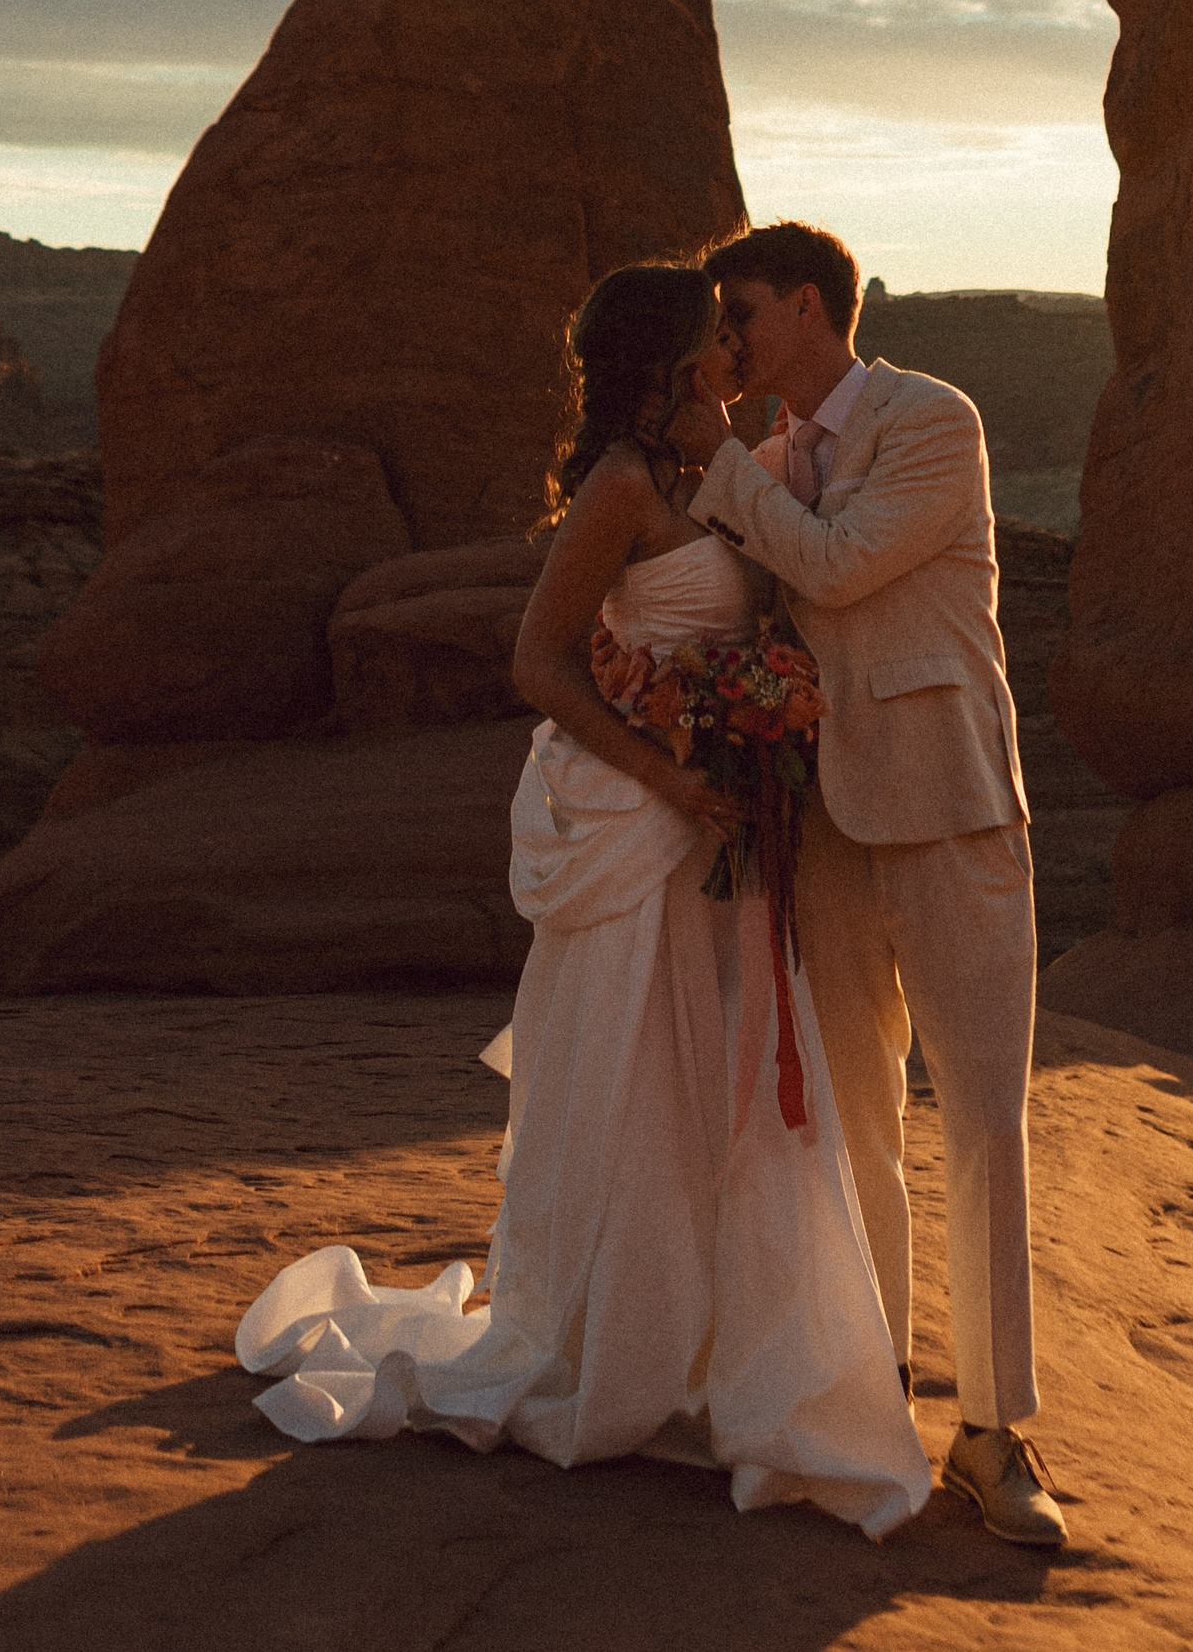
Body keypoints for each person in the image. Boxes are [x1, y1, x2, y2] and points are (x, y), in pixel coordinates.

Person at [233, 262, 930, 1539]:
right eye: (714, 339)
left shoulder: (726, 467)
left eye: (741, 330)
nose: (733, 350)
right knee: (635, 1079)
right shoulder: (618, 485)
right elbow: (538, 660)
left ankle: (738, 1353)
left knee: (727, 1074)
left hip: (725, 815)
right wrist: (673, 768)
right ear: (665, 360)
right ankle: (621, 1350)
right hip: (637, 818)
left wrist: (753, 733)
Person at [689, 221, 1066, 1550]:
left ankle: (997, 1433)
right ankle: (872, 1404)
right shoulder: (769, 463)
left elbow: (844, 569)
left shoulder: (931, 419)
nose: (728, 337)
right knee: (852, 1129)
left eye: (742, 312)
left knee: (980, 1123)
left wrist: (723, 467)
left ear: (809, 306)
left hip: (955, 809)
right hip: (826, 826)